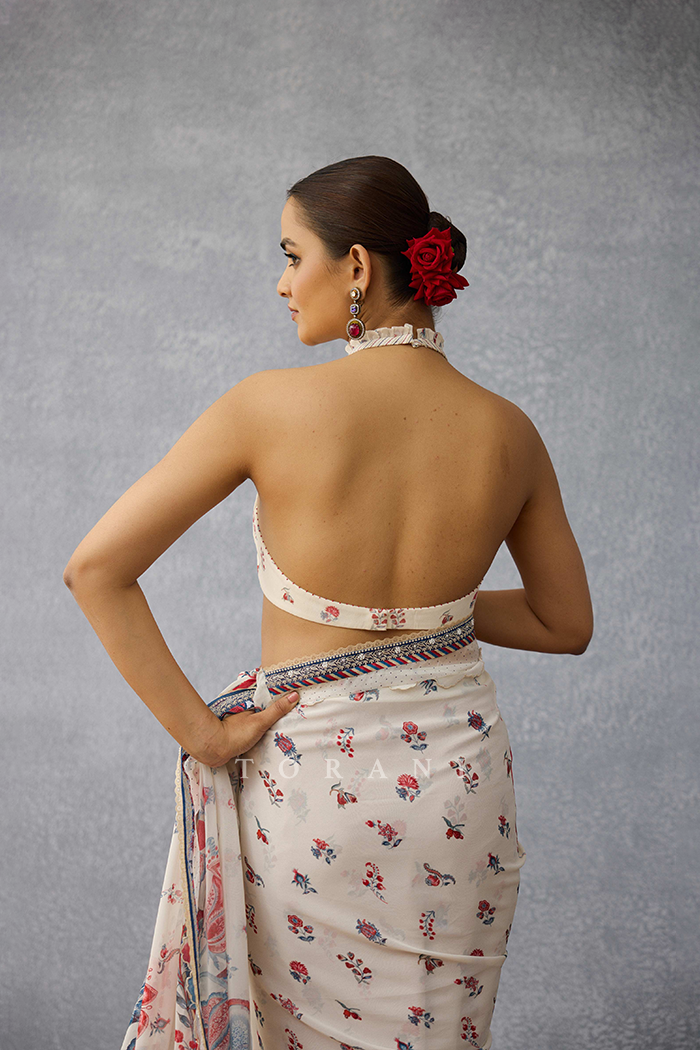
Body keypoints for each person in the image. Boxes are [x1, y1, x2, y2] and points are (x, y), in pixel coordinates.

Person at [63, 155, 593, 1050]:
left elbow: (96, 570)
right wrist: (424, 619)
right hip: (458, 801)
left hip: (315, 797)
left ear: (354, 266)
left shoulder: (267, 407)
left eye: (290, 254)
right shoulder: (510, 431)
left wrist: (206, 735)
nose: (281, 282)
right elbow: (563, 624)